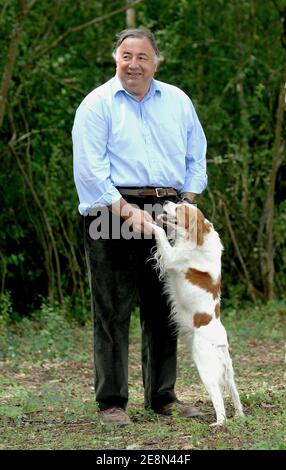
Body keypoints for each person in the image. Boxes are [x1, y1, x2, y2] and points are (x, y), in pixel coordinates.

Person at [72, 28, 207, 426]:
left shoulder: (178, 101)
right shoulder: (96, 104)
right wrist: (129, 212)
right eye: (125, 56)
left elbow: (196, 156)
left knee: (164, 307)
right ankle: (112, 403)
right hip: (109, 210)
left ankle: (162, 398)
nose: (133, 64)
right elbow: (91, 171)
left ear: (156, 61)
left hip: (168, 208)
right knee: (111, 310)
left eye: (142, 57)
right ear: (116, 59)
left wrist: (186, 202)